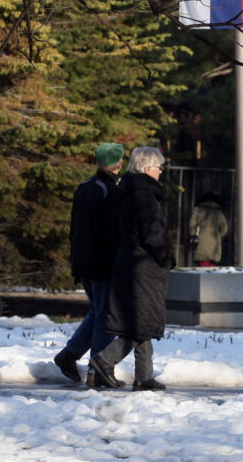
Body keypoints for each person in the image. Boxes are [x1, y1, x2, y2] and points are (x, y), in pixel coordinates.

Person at [89, 146, 171, 390]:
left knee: (142, 320)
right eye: (159, 167)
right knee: (140, 323)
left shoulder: (128, 190)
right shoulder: (143, 195)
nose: (161, 172)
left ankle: (144, 376)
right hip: (142, 264)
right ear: (147, 168)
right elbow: (151, 232)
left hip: (131, 262)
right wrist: (164, 255)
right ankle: (104, 360)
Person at [52, 143, 124, 384]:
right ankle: (98, 368)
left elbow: (75, 228)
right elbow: (113, 231)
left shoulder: (85, 187)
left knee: (97, 312)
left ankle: (69, 354)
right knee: (106, 317)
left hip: (83, 261)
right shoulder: (111, 191)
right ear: (120, 163)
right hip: (102, 263)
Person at [187, 192, 228, 267]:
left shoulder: (198, 210)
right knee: (211, 269)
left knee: (202, 269)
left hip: (201, 243)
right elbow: (224, 228)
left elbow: (191, 226)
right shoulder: (218, 212)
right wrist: (218, 236)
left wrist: (194, 235)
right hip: (215, 244)